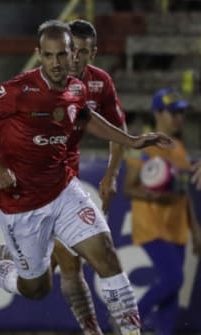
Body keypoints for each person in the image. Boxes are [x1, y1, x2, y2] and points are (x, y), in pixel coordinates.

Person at [0, 20, 173, 335]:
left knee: (105, 255)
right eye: (49, 55)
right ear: (39, 55)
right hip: (21, 203)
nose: (56, 63)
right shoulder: (19, 90)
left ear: (74, 55)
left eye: (63, 55)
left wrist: (131, 140)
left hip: (62, 189)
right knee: (36, 288)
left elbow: (83, 115)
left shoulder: (77, 87)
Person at [123, 88, 201, 335]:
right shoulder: (143, 143)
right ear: (157, 113)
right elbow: (129, 187)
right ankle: (130, 320)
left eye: (181, 113)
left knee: (173, 294)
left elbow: (184, 193)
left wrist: (195, 229)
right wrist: (155, 196)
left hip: (176, 227)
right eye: (173, 112)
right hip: (152, 225)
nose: (179, 118)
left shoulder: (178, 148)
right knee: (174, 279)